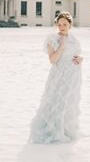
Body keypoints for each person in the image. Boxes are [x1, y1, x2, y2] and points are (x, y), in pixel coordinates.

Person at [29, 12, 83, 144]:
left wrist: (81, 58)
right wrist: (61, 48)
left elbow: (77, 54)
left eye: (65, 24)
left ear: (70, 24)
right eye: (59, 24)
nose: (62, 27)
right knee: (56, 101)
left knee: (67, 103)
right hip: (59, 76)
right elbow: (53, 60)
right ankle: (51, 130)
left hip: (72, 77)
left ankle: (65, 129)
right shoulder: (52, 39)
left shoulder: (74, 39)